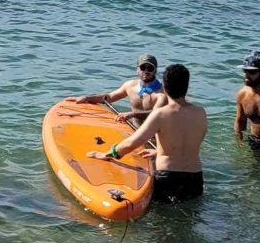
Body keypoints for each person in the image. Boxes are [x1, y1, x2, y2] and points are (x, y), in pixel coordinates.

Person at [87, 64, 206, 204]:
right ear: (186, 86)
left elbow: (132, 143)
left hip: (168, 178)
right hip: (196, 178)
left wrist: (107, 154)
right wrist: (159, 151)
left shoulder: (161, 114)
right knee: (189, 221)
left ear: (165, 88)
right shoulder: (200, 112)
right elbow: (192, 141)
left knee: (161, 221)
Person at [66, 54, 166, 123]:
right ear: (137, 69)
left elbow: (157, 114)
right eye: (143, 68)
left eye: (150, 68)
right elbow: (108, 97)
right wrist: (87, 98)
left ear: (155, 71)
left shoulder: (161, 92)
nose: (146, 71)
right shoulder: (130, 86)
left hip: (154, 136)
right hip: (133, 130)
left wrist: (132, 114)